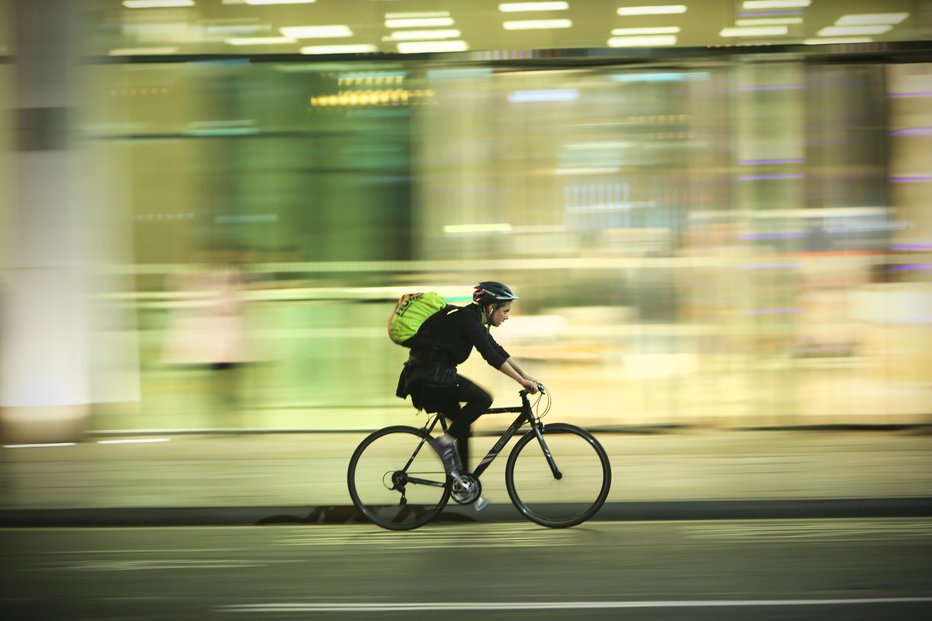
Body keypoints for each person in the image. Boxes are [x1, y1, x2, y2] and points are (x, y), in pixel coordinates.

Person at [395, 281, 541, 479]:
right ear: (491, 308)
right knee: (482, 399)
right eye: (505, 311)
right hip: (429, 378)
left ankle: (463, 482)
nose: (507, 316)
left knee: (462, 426)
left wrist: (525, 376)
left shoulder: (472, 320)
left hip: (432, 377)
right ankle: (444, 444)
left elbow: (496, 350)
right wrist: (521, 381)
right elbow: (489, 355)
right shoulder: (467, 319)